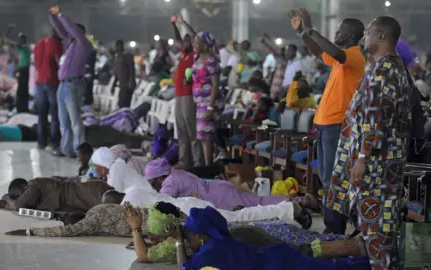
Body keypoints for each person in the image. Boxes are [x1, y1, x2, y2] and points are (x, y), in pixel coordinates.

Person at [326, 16, 410, 269]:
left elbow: (376, 119)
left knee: (377, 230)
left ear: (382, 36)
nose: (365, 38)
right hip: (377, 162)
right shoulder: (383, 66)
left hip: (376, 165)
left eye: (369, 34)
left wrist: (362, 158)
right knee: (373, 228)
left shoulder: (385, 70)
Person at [289, 8, 366, 234]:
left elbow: (335, 52)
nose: (337, 32)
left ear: (351, 34)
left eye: (341, 29)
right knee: (327, 178)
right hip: (325, 124)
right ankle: (333, 226)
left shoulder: (354, 55)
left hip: (337, 125)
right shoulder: (341, 58)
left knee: (335, 179)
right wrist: (303, 33)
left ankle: (334, 229)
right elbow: (318, 53)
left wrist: (312, 28)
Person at [91, 147, 312, 226]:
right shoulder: (155, 184)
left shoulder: (165, 184)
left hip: (204, 204)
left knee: (243, 215)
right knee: (250, 208)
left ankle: (292, 207)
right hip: (205, 198)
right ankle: (291, 207)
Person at [124, 202, 368, 265]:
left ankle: (354, 248)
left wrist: (135, 227)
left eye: (155, 236)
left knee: (304, 250)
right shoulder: (193, 221)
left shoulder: (189, 242)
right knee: (303, 243)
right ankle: (353, 245)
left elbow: (144, 255)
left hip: (257, 244)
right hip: (248, 233)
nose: (153, 240)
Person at [145, 158, 318, 217]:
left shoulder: (170, 182)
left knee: (258, 203)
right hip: (219, 189)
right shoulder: (177, 174)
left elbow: (162, 201)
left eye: (154, 182)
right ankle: (298, 202)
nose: (156, 186)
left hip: (220, 196)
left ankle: (300, 201)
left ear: (160, 177)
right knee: (257, 201)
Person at [49, 5, 92, 157]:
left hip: (74, 84)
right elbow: (62, 31)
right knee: (64, 121)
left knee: (75, 120)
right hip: (63, 85)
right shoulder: (71, 44)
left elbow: (71, 30)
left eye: (74, 32)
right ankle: (66, 149)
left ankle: (79, 150)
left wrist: (61, 15)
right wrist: (53, 17)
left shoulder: (84, 45)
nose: (70, 33)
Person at [3, 190, 141, 237]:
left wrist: (29, 231)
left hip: (149, 226)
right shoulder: (99, 207)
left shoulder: (91, 222)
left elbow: (65, 231)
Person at [0, 177, 111, 213]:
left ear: (23, 186)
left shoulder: (33, 186)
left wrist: (6, 196)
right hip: (89, 200)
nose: (21, 197)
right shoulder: (32, 191)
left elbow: (18, 205)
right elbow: (7, 204)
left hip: (93, 194)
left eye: (19, 194)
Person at [171, 16, 203, 169]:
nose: (184, 42)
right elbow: (177, 38)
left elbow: (196, 36)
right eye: (184, 41)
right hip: (178, 94)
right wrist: (174, 25)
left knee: (191, 127)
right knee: (181, 128)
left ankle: (197, 160)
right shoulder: (184, 54)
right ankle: (184, 160)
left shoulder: (195, 55)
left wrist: (183, 23)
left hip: (188, 94)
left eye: (188, 40)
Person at [192, 32, 224, 166]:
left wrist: (211, 107)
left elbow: (215, 85)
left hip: (209, 101)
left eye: (197, 41)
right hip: (200, 102)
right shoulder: (196, 58)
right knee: (202, 136)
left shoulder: (210, 61)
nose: (194, 44)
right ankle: (209, 164)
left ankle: (208, 167)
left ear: (205, 45)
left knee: (205, 135)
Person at [34, 29, 62, 151]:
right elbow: (60, 62)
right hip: (52, 81)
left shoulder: (39, 44)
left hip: (40, 81)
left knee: (42, 114)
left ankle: (41, 142)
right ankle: (54, 142)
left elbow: (36, 63)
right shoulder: (56, 43)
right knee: (55, 114)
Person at [7, 33, 31, 113]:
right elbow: (16, 48)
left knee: (23, 89)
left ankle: (23, 107)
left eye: (20, 39)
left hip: (24, 69)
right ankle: (20, 107)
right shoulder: (22, 48)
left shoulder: (26, 47)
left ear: (23, 40)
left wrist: (8, 40)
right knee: (20, 89)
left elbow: (17, 45)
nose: (19, 41)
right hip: (21, 69)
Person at [113, 40, 136, 108]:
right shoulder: (117, 57)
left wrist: (131, 81)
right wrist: (113, 84)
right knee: (121, 103)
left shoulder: (127, 56)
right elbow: (116, 73)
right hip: (122, 84)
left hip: (127, 84)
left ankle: (125, 117)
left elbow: (132, 69)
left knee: (124, 104)